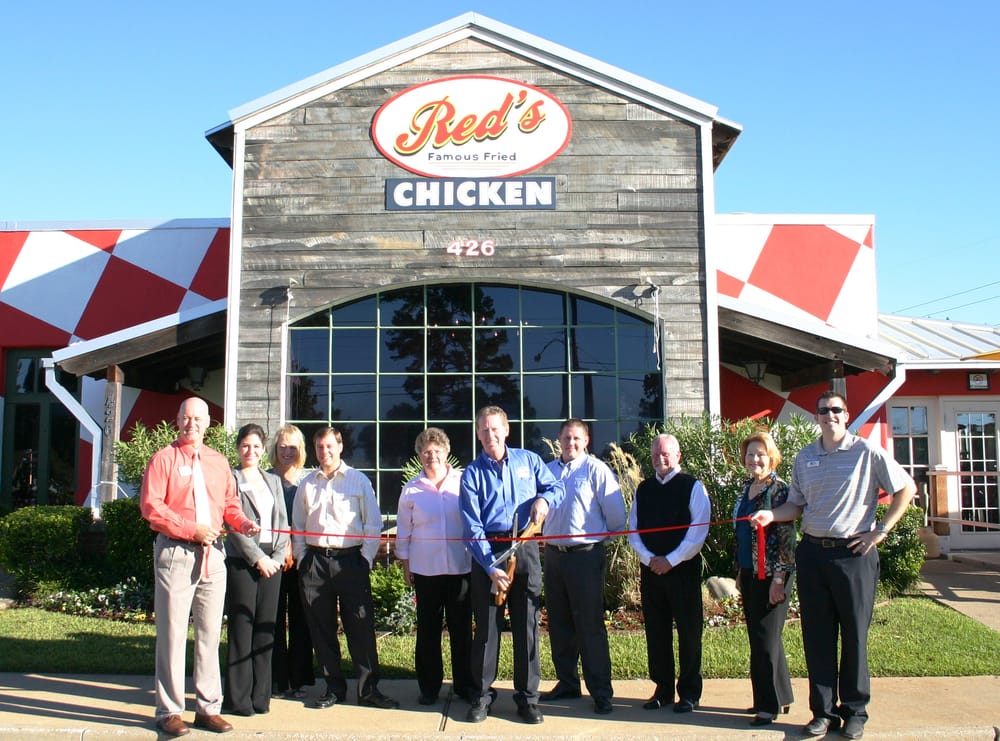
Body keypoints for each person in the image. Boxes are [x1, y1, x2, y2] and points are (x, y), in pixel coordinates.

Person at [751, 391, 915, 740]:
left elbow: (906, 488)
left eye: (836, 410)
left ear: (846, 413)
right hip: (812, 554)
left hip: (853, 554)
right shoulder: (805, 456)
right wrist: (770, 515)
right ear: (817, 417)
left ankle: (855, 711)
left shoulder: (866, 451)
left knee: (854, 637)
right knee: (817, 637)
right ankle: (823, 713)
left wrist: (880, 532)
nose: (830, 415)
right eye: (823, 410)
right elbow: (794, 507)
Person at [139, 397, 260, 737]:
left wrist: (242, 523)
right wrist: (190, 529)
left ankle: (208, 709)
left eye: (198, 418)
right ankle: (170, 712)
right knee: (173, 634)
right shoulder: (164, 459)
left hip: (213, 557)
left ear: (209, 422)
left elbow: (229, 505)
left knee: (209, 635)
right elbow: (152, 507)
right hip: (176, 554)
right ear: (177, 420)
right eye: (186, 417)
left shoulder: (219, 462)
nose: (192, 423)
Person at [460, 405, 564, 725]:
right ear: (477, 434)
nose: (489, 435)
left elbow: (555, 487)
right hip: (489, 553)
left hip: (526, 546)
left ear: (506, 430)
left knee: (527, 628)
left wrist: (544, 500)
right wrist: (491, 567)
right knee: (488, 631)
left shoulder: (529, 461)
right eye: (483, 430)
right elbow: (471, 526)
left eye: (494, 429)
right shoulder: (472, 473)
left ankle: (527, 699)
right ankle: (481, 697)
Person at [291, 426, 399, 710]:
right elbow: (298, 526)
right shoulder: (307, 484)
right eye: (319, 447)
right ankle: (333, 688)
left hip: (351, 562)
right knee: (322, 629)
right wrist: (303, 559)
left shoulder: (358, 480)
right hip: (315, 562)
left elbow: (373, 524)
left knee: (360, 627)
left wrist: (364, 558)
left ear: (339, 447)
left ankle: (368, 690)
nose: (324, 452)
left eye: (329, 446)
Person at [539, 418, 627, 715]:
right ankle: (567, 682)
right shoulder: (547, 472)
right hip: (553, 555)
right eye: (566, 438)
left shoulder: (596, 470)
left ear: (586, 440)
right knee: (560, 624)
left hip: (585, 556)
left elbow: (616, 518)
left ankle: (601, 691)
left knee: (589, 626)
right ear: (558, 440)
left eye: (577, 438)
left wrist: (593, 543)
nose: (571, 443)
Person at [627, 433, 709, 714]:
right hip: (651, 571)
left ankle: (689, 692)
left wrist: (671, 560)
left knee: (689, 632)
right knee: (656, 631)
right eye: (655, 454)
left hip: (682, 571)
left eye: (665, 454)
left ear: (678, 456)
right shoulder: (644, 489)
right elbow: (633, 530)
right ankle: (663, 689)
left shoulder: (692, 486)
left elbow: (698, 531)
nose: (659, 459)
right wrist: (650, 560)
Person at [396, 428, 474, 705]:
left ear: (446, 452)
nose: (432, 456)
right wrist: (406, 564)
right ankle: (429, 688)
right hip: (426, 571)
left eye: (437, 451)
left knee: (461, 631)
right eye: (426, 452)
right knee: (428, 632)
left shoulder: (463, 482)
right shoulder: (411, 490)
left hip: (460, 568)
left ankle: (465, 686)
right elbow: (403, 531)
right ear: (419, 455)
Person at [221, 423, 289, 717]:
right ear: (238, 448)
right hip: (243, 562)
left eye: (257, 446)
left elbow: (283, 520)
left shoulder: (272, 480)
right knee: (242, 630)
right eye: (245, 445)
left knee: (266, 630)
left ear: (264, 450)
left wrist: (277, 553)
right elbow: (230, 522)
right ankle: (238, 699)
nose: (251, 451)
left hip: (272, 565)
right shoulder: (231, 478)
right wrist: (257, 557)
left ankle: (261, 697)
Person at [733, 430, 795, 726]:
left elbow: (787, 537)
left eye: (760, 454)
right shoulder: (747, 488)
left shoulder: (778, 490)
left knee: (765, 640)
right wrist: (738, 571)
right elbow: (742, 534)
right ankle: (778, 697)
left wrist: (779, 579)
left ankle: (767, 706)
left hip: (773, 574)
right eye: (750, 454)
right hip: (749, 572)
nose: (754, 459)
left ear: (771, 457)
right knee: (763, 639)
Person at [268, 424, 315, 700]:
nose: (287, 451)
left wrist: (297, 548)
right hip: (272, 559)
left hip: (303, 559)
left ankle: (299, 680)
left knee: (301, 619)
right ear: (275, 449)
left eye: (293, 446)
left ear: (301, 450)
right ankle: (276, 680)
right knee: (273, 619)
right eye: (282, 446)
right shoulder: (266, 479)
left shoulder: (309, 480)